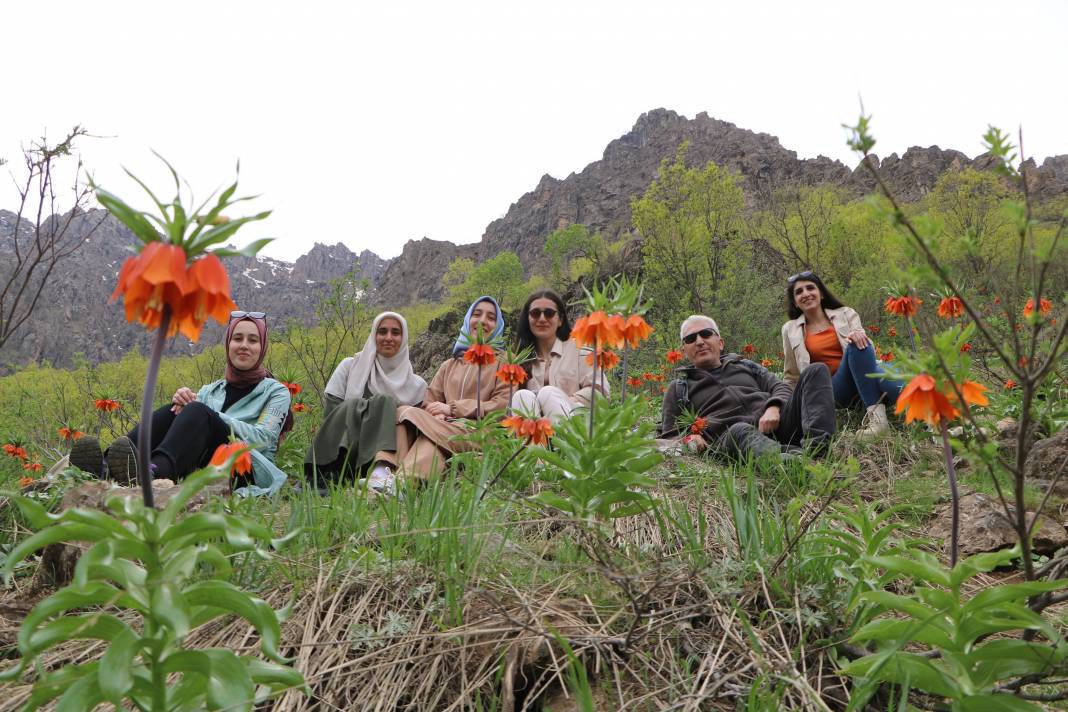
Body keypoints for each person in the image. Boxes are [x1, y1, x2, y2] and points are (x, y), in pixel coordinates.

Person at [70, 311, 293, 496]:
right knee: (173, 410)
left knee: (197, 410)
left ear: (262, 347)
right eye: (238, 338)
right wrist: (183, 404)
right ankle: (105, 467)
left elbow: (264, 439)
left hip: (247, 470)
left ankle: (154, 473)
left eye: (253, 340)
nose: (244, 345)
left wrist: (208, 413)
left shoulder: (277, 392)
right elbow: (193, 426)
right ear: (228, 344)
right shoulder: (211, 390)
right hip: (206, 465)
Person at [657, 315, 836, 463]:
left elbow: (780, 387)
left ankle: (818, 454)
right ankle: (791, 463)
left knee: (816, 370)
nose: (699, 341)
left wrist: (773, 407)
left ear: (720, 343)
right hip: (733, 441)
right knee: (739, 430)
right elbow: (670, 437)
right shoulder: (679, 387)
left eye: (706, 334)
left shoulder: (746, 366)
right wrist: (689, 439)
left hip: (778, 425)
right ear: (684, 350)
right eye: (690, 339)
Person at [304, 311, 427, 494]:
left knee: (385, 402)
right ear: (373, 335)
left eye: (395, 332)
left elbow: (414, 435)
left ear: (404, 338)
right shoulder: (349, 366)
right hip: (342, 453)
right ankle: (329, 474)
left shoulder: (416, 386)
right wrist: (368, 409)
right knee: (380, 402)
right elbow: (331, 416)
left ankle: (381, 472)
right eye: (382, 331)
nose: (388, 338)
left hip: (388, 462)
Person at [393, 296, 510, 482]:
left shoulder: (504, 363)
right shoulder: (449, 364)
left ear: (498, 326)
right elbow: (430, 399)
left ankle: (397, 480)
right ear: (467, 320)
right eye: (477, 314)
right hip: (448, 429)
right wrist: (436, 415)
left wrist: (452, 409)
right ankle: (400, 479)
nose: (482, 321)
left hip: (482, 432)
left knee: (436, 431)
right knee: (403, 412)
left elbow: (502, 406)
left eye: (491, 317)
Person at [781, 271, 903, 436]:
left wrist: (857, 335)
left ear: (821, 293)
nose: (806, 294)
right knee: (869, 360)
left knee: (883, 372)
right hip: (833, 390)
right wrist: (785, 409)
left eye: (810, 288)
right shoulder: (790, 329)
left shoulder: (846, 313)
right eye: (799, 292)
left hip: (865, 379)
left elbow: (866, 350)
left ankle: (936, 420)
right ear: (795, 302)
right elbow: (792, 375)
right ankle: (883, 422)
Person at [511, 289, 607, 420]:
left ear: (560, 320)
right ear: (528, 319)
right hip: (539, 429)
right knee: (521, 396)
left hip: (578, 423)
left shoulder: (579, 348)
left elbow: (599, 392)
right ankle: (533, 441)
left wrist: (559, 400)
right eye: (535, 313)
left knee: (547, 394)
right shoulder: (522, 358)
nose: (542, 318)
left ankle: (564, 439)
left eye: (549, 313)